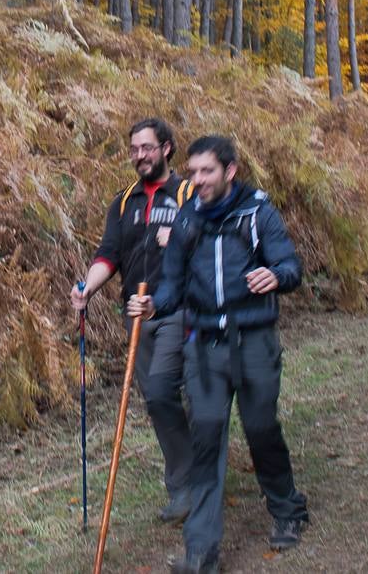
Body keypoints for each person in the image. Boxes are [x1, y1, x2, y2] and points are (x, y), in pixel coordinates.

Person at [127, 135, 308, 574]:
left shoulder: (258, 213)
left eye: (207, 171)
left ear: (230, 171)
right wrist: (155, 305)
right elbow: (173, 284)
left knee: (261, 428)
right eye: (192, 172)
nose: (197, 180)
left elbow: (291, 265)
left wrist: (276, 275)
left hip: (255, 341)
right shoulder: (188, 221)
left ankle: (288, 511)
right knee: (207, 441)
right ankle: (200, 553)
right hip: (205, 346)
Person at [71, 118, 195, 525]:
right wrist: (87, 287)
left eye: (147, 147)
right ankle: (190, 479)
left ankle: (188, 487)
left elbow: (211, 247)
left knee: (165, 393)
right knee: (159, 403)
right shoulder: (123, 202)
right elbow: (109, 254)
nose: (140, 155)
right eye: (134, 149)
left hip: (182, 311)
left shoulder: (190, 194)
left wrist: (179, 237)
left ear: (167, 149)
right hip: (136, 317)